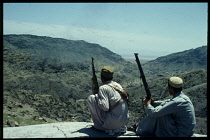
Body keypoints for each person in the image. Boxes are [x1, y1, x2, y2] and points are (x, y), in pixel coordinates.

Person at [87, 66, 129, 135]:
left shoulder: (103, 88)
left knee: (92, 98)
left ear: (101, 78)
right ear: (112, 77)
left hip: (112, 124)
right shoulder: (117, 85)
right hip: (123, 122)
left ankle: (98, 126)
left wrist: (98, 98)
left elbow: (105, 108)